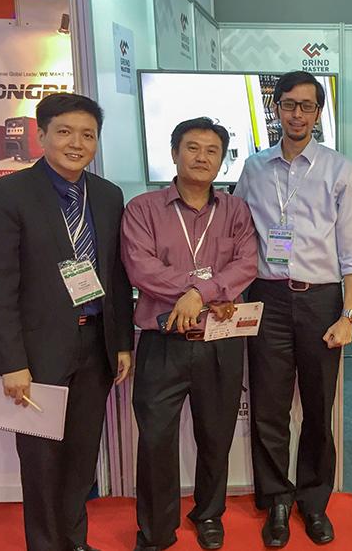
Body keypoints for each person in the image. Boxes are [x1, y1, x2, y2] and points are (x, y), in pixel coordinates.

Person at [0, 92, 134, 551]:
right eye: (64, 132)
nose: (76, 143)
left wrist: (121, 342)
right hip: (37, 352)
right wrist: (11, 362)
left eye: (88, 134)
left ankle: (74, 540)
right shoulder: (10, 192)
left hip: (96, 346)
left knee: (82, 458)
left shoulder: (107, 195)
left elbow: (116, 274)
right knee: (42, 461)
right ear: (42, 135)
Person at [234, 70, 352, 547]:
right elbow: (237, 232)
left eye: (307, 106)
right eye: (288, 104)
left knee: (317, 406)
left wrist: (347, 315)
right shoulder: (254, 168)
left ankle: (313, 501)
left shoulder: (339, 169)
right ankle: (276, 501)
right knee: (269, 408)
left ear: (318, 112)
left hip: (321, 299)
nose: (296, 114)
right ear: (276, 108)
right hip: (266, 298)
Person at [121, 117, 257, 551]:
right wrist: (199, 291)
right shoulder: (142, 209)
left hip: (220, 341)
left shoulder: (236, 210)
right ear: (174, 153)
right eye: (192, 148)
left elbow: (246, 264)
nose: (202, 157)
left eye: (212, 150)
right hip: (162, 343)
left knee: (216, 436)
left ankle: (209, 513)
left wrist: (198, 293)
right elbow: (140, 267)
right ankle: (155, 530)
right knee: (155, 440)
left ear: (222, 159)